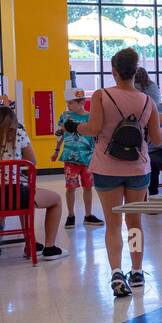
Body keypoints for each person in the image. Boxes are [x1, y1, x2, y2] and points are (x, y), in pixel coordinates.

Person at [77, 47, 162, 297]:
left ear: (114, 71)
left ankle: (117, 272)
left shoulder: (101, 95)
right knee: (134, 223)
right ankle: (136, 270)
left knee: (113, 224)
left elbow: (93, 129)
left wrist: (76, 127)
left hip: (107, 167)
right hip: (138, 168)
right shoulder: (148, 101)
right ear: (135, 72)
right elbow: (157, 139)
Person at [0, 106, 66, 261]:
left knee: (21, 194)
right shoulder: (18, 134)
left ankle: (30, 243)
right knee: (55, 200)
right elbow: (32, 161)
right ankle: (50, 247)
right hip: (14, 195)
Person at [50, 88, 102, 228]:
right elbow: (60, 135)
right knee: (71, 188)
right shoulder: (65, 116)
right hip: (70, 158)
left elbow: (96, 137)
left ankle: (88, 214)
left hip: (87, 158)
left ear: (82, 102)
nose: (68, 105)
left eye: (71, 103)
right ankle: (71, 215)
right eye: (67, 103)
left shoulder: (90, 118)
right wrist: (56, 151)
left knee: (88, 187)